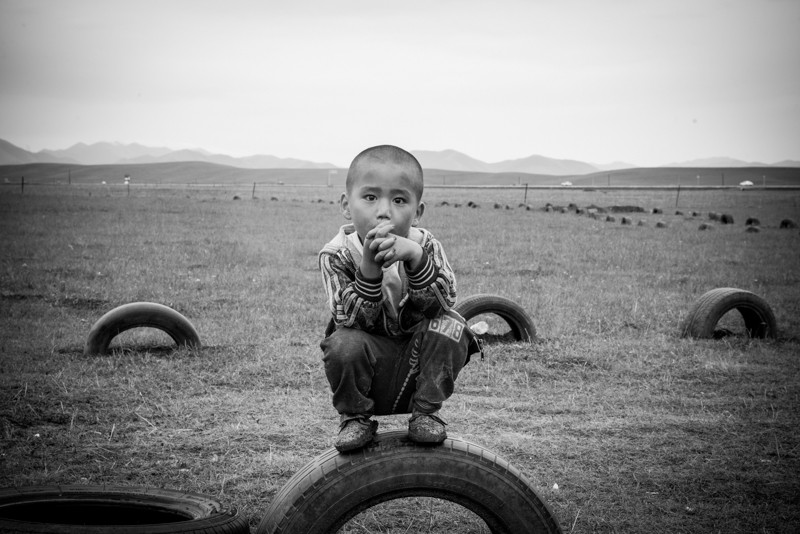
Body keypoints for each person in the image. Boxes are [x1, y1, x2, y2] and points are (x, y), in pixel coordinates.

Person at [319, 144, 480, 452]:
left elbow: (443, 303)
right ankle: (355, 418)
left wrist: (417, 259)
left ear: (417, 212)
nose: (384, 211)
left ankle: (426, 414)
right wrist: (369, 270)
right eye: (370, 197)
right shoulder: (336, 255)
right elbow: (347, 318)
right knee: (343, 343)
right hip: (367, 361)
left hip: (418, 358)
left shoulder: (426, 245)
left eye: (399, 200)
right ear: (346, 206)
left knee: (452, 326)